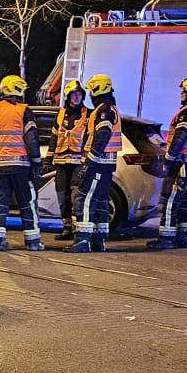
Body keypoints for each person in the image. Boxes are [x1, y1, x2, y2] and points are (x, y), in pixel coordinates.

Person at [148, 75, 187, 250]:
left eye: (184, 90)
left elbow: (179, 138)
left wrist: (168, 159)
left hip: (182, 163)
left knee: (170, 200)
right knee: (183, 201)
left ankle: (166, 239)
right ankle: (184, 237)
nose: (182, 93)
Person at [0, 73, 44, 253]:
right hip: (20, 166)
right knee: (28, 202)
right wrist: (36, 162)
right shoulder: (23, 110)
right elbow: (31, 139)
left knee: (0, 204)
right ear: (17, 90)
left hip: (0, 167)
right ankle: (33, 241)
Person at [72, 73, 122, 253]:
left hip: (98, 164)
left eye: (91, 91)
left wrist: (89, 162)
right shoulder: (109, 108)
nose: (90, 95)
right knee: (100, 202)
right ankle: (98, 241)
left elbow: (102, 137)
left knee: (84, 200)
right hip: (105, 165)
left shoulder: (103, 111)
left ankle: (82, 241)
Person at [51, 80, 88, 243]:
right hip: (60, 162)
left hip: (78, 162)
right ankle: (67, 228)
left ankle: (78, 230)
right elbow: (54, 137)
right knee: (62, 196)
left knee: (76, 197)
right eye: (74, 94)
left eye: (79, 94)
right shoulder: (60, 114)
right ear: (68, 96)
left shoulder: (88, 114)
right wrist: (48, 158)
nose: (77, 97)